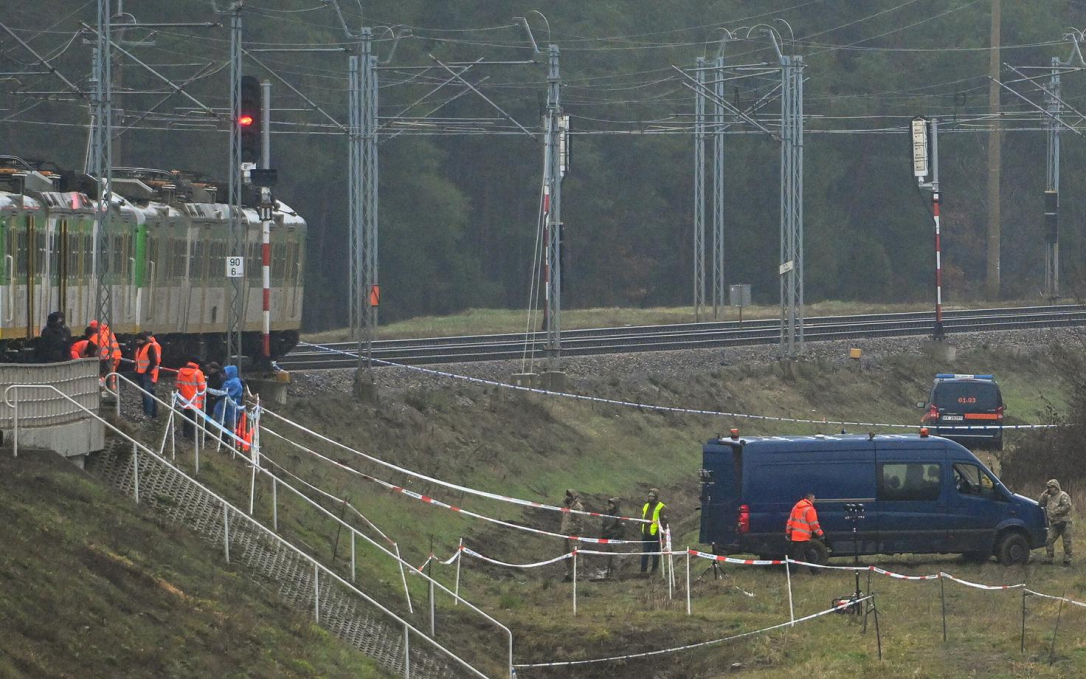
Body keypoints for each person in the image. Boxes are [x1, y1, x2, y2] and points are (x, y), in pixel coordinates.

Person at [786, 492, 825, 574]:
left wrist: (788, 533)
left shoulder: (796, 507)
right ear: (810, 499)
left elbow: (790, 521)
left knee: (807, 553)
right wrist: (820, 534)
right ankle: (791, 573)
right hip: (804, 536)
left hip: (796, 536)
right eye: (814, 499)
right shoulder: (809, 509)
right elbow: (814, 524)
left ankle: (814, 571)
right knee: (799, 556)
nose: (814, 500)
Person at [1038, 479, 1073, 566]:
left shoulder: (1063, 495)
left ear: (1056, 487)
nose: (1050, 489)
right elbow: (1040, 504)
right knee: (1049, 540)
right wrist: (1043, 495)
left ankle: (1067, 559)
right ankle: (1049, 558)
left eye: (1051, 487)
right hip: (1054, 523)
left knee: (1067, 542)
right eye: (1048, 487)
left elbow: (1067, 506)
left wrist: (1056, 511)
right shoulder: (1048, 497)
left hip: (1064, 522)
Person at [176, 357, 206, 439]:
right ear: (197, 364)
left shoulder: (181, 371)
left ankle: (186, 434)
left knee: (187, 416)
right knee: (194, 418)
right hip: (195, 400)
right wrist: (203, 397)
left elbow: (178, 385)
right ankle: (192, 436)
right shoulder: (198, 373)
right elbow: (202, 387)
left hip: (184, 399)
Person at [640, 488, 668, 575]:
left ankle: (654, 571)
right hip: (646, 534)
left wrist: (662, 533)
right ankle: (643, 572)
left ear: (656, 497)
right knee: (644, 553)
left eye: (652, 496)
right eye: (649, 496)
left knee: (655, 554)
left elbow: (664, 521)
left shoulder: (662, 507)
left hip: (656, 535)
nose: (650, 497)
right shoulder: (646, 506)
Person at [133, 332, 160, 419]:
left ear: (143, 340)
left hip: (146, 375)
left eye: (138, 340)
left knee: (147, 394)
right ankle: (151, 413)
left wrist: (147, 372)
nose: (137, 342)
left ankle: (149, 414)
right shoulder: (140, 348)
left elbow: (154, 361)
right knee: (148, 393)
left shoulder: (149, 347)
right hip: (141, 374)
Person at [560, 489, 584, 582]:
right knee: (567, 554)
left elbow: (579, 522)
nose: (567, 497)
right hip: (566, 534)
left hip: (574, 535)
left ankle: (578, 575)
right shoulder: (567, 507)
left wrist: (573, 531)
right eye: (567, 495)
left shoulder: (578, 507)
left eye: (569, 495)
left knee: (576, 554)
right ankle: (570, 574)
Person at [599, 498, 626, 580]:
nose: (610, 505)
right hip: (607, 536)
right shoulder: (607, 512)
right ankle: (607, 574)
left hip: (615, 537)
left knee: (615, 557)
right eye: (610, 503)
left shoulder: (619, 514)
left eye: (612, 503)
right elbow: (604, 524)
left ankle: (615, 575)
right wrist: (603, 534)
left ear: (616, 505)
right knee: (607, 556)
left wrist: (616, 535)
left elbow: (622, 528)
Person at [213, 365, 244, 430]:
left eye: (225, 373)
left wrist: (215, 395)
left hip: (226, 403)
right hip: (236, 403)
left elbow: (220, 393)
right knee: (233, 421)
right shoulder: (237, 381)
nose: (224, 375)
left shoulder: (229, 383)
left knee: (220, 416)